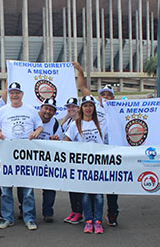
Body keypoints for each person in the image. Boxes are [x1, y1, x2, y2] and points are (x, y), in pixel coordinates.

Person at [75, 62, 118, 227]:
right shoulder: (94, 107)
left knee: (112, 188)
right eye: (103, 95)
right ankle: (92, 218)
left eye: (109, 95)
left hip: (111, 152)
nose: (105, 97)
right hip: (94, 155)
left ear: (112, 97)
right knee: (93, 189)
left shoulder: (117, 109)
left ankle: (112, 214)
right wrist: (80, 70)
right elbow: (83, 87)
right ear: (99, 97)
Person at [0, 82, 43, 231]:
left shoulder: (30, 109)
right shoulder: (3, 110)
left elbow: (39, 125)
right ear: (9, 95)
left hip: (25, 153)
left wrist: (37, 132)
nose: (15, 95)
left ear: (22, 94)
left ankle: (29, 218)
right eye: (12, 93)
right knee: (5, 189)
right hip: (7, 152)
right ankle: (7, 218)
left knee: (27, 190)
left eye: (17, 93)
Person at [64, 95, 108, 234]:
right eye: (85, 106)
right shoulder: (75, 124)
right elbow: (66, 142)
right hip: (83, 167)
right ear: (81, 108)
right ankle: (88, 220)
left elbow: (109, 142)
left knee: (98, 196)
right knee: (85, 195)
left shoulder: (101, 123)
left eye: (90, 105)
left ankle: (98, 221)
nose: (88, 108)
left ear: (94, 108)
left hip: (99, 166)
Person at [35, 98, 63, 223]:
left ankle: (48, 212)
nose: (48, 112)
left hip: (47, 160)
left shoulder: (56, 124)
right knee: (25, 187)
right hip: (30, 158)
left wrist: (56, 140)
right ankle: (24, 211)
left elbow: (61, 144)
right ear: (41, 108)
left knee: (50, 187)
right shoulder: (32, 119)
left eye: (51, 110)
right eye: (46, 108)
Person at [60, 97, 84, 225]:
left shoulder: (82, 122)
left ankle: (79, 212)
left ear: (78, 108)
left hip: (79, 159)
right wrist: (67, 116)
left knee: (79, 188)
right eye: (68, 107)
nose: (71, 109)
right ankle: (74, 210)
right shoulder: (68, 121)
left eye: (73, 107)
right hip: (70, 159)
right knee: (71, 187)